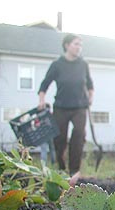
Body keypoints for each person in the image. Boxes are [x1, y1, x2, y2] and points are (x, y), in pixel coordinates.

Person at [38, 33, 94, 186]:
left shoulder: (83, 65)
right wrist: (41, 100)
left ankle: (74, 172)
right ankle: (61, 170)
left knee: (78, 136)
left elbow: (90, 84)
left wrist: (90, 96)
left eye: (80, 45)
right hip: (61, 107)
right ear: (67, 45)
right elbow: (44, 84)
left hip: (80, 107)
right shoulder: (57, 65)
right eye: (76, 44)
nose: (79, 47)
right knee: (59, 139)